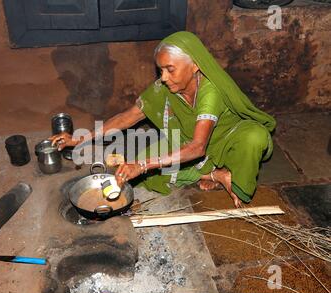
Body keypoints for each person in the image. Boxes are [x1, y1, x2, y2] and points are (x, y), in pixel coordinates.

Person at [49, 31, 276, 208]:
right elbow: (129, 116)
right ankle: (215, 173)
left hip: (226, 140)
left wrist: (143, 165)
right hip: (186, 141)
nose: (163, 78)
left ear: (195, 65)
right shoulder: (165, 88)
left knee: (254, 138)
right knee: (143, 174)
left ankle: (231, 177)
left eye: (170, 69)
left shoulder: (210, 91)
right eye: (160, 70)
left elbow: (197, 147)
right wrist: (80, 139)